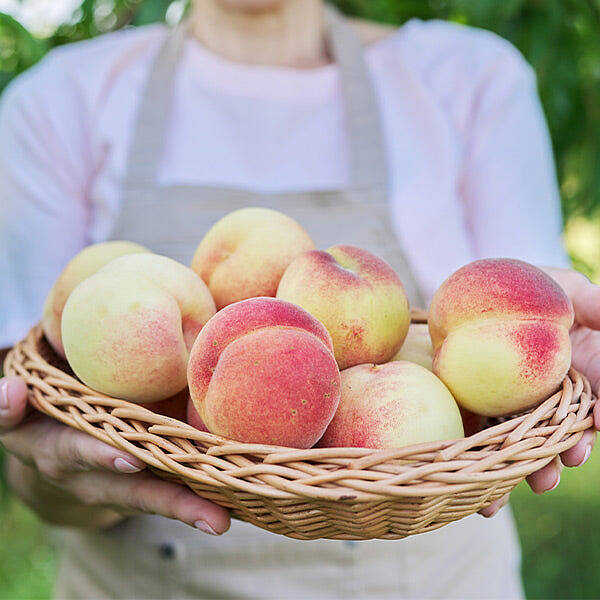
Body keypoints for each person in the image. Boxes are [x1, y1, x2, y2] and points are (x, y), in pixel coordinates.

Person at [0, 0, 598, 598]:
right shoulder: (59, 101)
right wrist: (58, 474)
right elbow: (37, 417)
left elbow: (524, 335)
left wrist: (551, 367)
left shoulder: (468, 78)